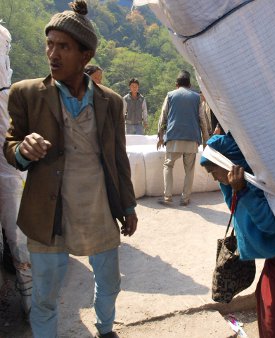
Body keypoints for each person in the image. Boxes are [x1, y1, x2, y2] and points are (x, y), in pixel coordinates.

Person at [2, 2, 138, 337]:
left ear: (85, 55)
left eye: (63, 46)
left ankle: (105, 329)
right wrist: (22, 150)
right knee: (46, 299)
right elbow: (10, 146)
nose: (53, 53)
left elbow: (119, 158)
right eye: (49, 44)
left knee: (109, 284)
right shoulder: (26, 93)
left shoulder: (111, 101)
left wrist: (130, 206)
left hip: (98, 208)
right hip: (48, 213)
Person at [200, 133, 275, 338]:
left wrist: (243, 191)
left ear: (229, 164)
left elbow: (270, 225)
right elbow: (234, 208)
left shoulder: (257, 186)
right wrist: (229, 184)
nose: (213, 177)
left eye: (213, 171)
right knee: (267, 310)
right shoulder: (240, 184)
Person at [0, 22, 32, 318]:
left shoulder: (11, 96)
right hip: (11, 179)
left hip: (11, 178)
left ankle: (30, 304)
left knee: (18, 240)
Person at [157, 70, 209, 206]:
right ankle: (185, 199)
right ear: (190, 85)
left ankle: (167, 197)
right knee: (189, 169)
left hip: (173, 136)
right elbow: (202, 120)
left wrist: (160, 135)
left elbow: (163, 116)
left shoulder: (170, 95)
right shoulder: (197, 97)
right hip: (192, 138)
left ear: (176, 84)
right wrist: (206, 141)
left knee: (168, 164)